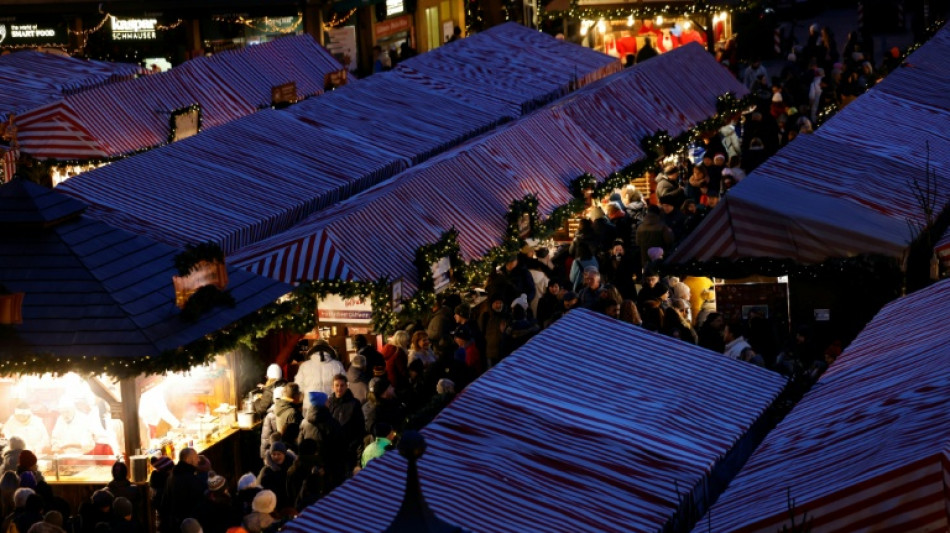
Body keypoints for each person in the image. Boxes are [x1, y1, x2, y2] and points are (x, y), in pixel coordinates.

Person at [325, 376, 364, 474]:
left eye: (342, 385)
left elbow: (360, 428)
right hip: (332, 451)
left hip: (348, 451)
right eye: (337, 385)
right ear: (332, 387)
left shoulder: (354, 403)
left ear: (347, 386)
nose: (339, 388)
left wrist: (352, 446)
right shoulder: (328, 403)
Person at [163, 449, 206, 533]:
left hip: (174, 525)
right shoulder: (190, 479)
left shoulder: (171, 477)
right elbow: (198, 505)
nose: (199, 459)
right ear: (188, 459)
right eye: (196, 457)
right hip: (189, 526)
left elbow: (165, 503)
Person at [295, 342, 345, 410]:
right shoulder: (338, 365)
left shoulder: (304, 365)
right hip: (332, 405)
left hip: (310, 406)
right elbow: (345, 384)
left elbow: (298, 387)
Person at [257, 442, 295, 514]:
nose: (276, 457)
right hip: (274, 508)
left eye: (279, 454)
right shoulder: (267, 471)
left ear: (284, 454)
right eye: (273, 454)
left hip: (291, 506)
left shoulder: (292, 468)